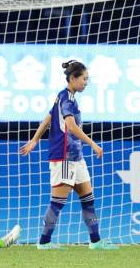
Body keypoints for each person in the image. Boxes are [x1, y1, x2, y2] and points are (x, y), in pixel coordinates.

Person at [20, 60, 117, 250]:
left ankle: (95, 241)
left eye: (87, 79)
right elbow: (71, 126)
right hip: (64, 156)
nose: (86, 83)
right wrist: (93, 144)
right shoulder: (67, 99)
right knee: (57, 202)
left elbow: (48, 118)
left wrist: (35, 139)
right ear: (72, 78)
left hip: (76, 157)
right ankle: (44, 242)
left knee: (88, 198)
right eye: (84, 79)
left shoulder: (64, 96)